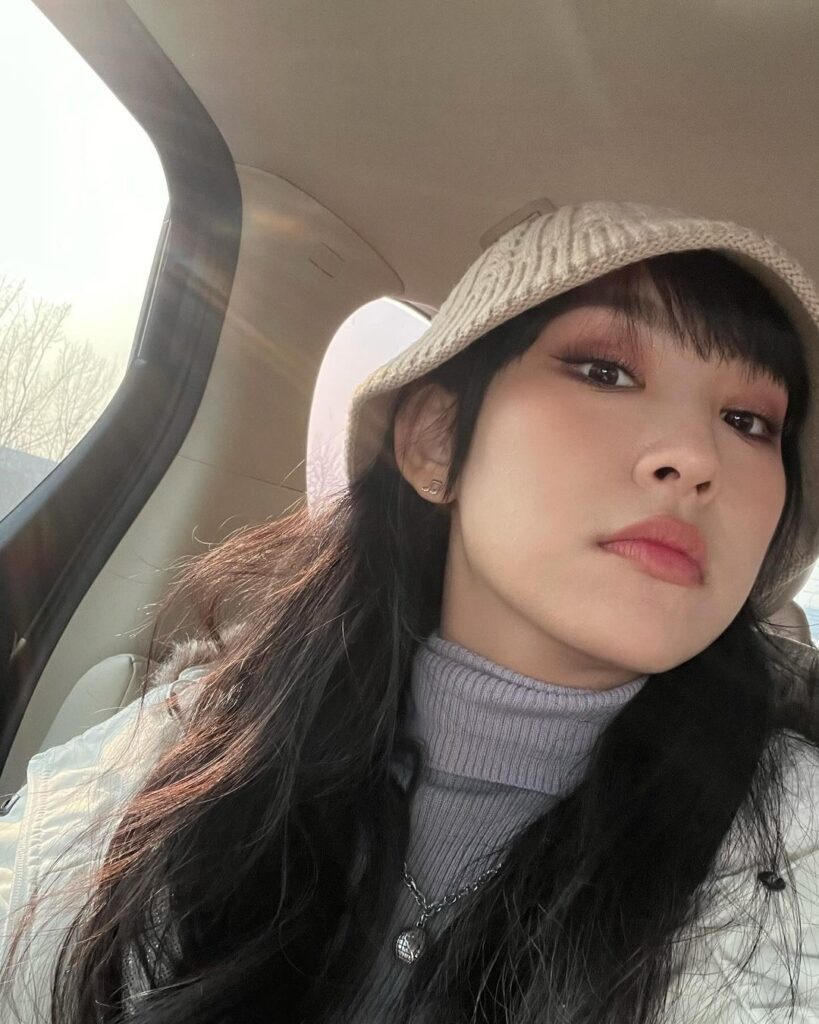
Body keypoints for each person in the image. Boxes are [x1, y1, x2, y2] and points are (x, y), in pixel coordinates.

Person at [1, 200, 819, 1024]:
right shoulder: (166, 763)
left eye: (748, 422)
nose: (696, 458)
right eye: (604, 372)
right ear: (435, 440)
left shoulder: (797, 853)